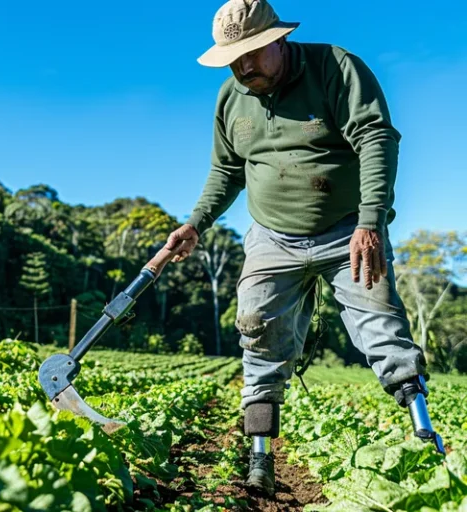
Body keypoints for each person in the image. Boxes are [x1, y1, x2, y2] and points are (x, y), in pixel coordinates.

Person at [164, 0, 445, 497]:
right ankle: (259, 458)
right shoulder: (232, 97)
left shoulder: (336, 68)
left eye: (252, 53)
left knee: (382, 329)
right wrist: (195, 224)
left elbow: (377, 138)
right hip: (272, 236)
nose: (243, 65)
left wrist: (370, 220)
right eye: (234, 57)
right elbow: (227, 170)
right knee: (258, 334)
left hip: (347, 232)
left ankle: (425, 436)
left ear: (279, 39)